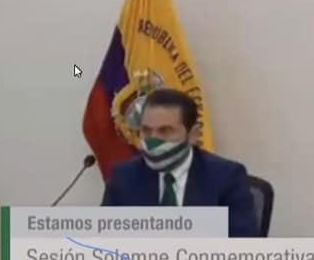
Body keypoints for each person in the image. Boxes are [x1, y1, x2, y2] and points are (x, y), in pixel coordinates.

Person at [101, 88, 259, 237]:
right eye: (147, 131)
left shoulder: (227, 178)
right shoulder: (124, 177)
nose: (153, 141)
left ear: (193, 134)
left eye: (165, 131)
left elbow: (241, 244)